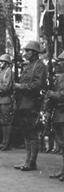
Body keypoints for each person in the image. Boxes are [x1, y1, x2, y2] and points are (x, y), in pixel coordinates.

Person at [13, 41, 47, 171]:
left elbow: (37, 85)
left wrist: (20, 86)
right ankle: (28, 160)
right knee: (26, 133)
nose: (25, 53)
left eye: (28, 51)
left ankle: (32, 161)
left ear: (35, 52)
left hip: (33, 102)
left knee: (32, 133)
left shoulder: (40, 66)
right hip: (23, 102)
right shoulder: (29, 66)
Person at [0, 54, 14, 151]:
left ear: (6, 63)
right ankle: (4, 142)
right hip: (0, 100)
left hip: (6, 99)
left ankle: (7, 143)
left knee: (7, 122)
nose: (0, 63)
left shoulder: (9, 72)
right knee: (3, 122)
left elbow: (6, 87)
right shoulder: (2, 72)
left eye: (2, 62)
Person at [48, 51, 64, 181]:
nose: (59, 64)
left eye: (62, 61)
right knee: (61, 142)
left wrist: (51, 94)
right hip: (59, 112)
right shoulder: (60, 77)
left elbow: (62, 94)